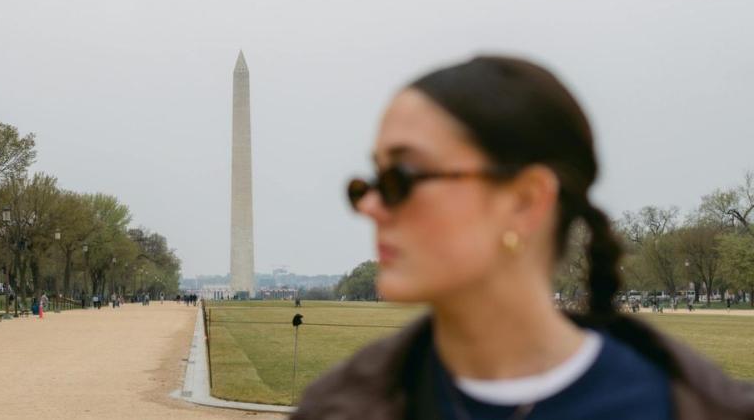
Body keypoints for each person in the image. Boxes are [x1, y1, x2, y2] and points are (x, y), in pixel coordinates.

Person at [291, 57, 754, 419]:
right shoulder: (334, 410)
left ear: (526, 201)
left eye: (402, 178)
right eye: (367, 183)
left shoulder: (702, 410)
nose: (369, 205)